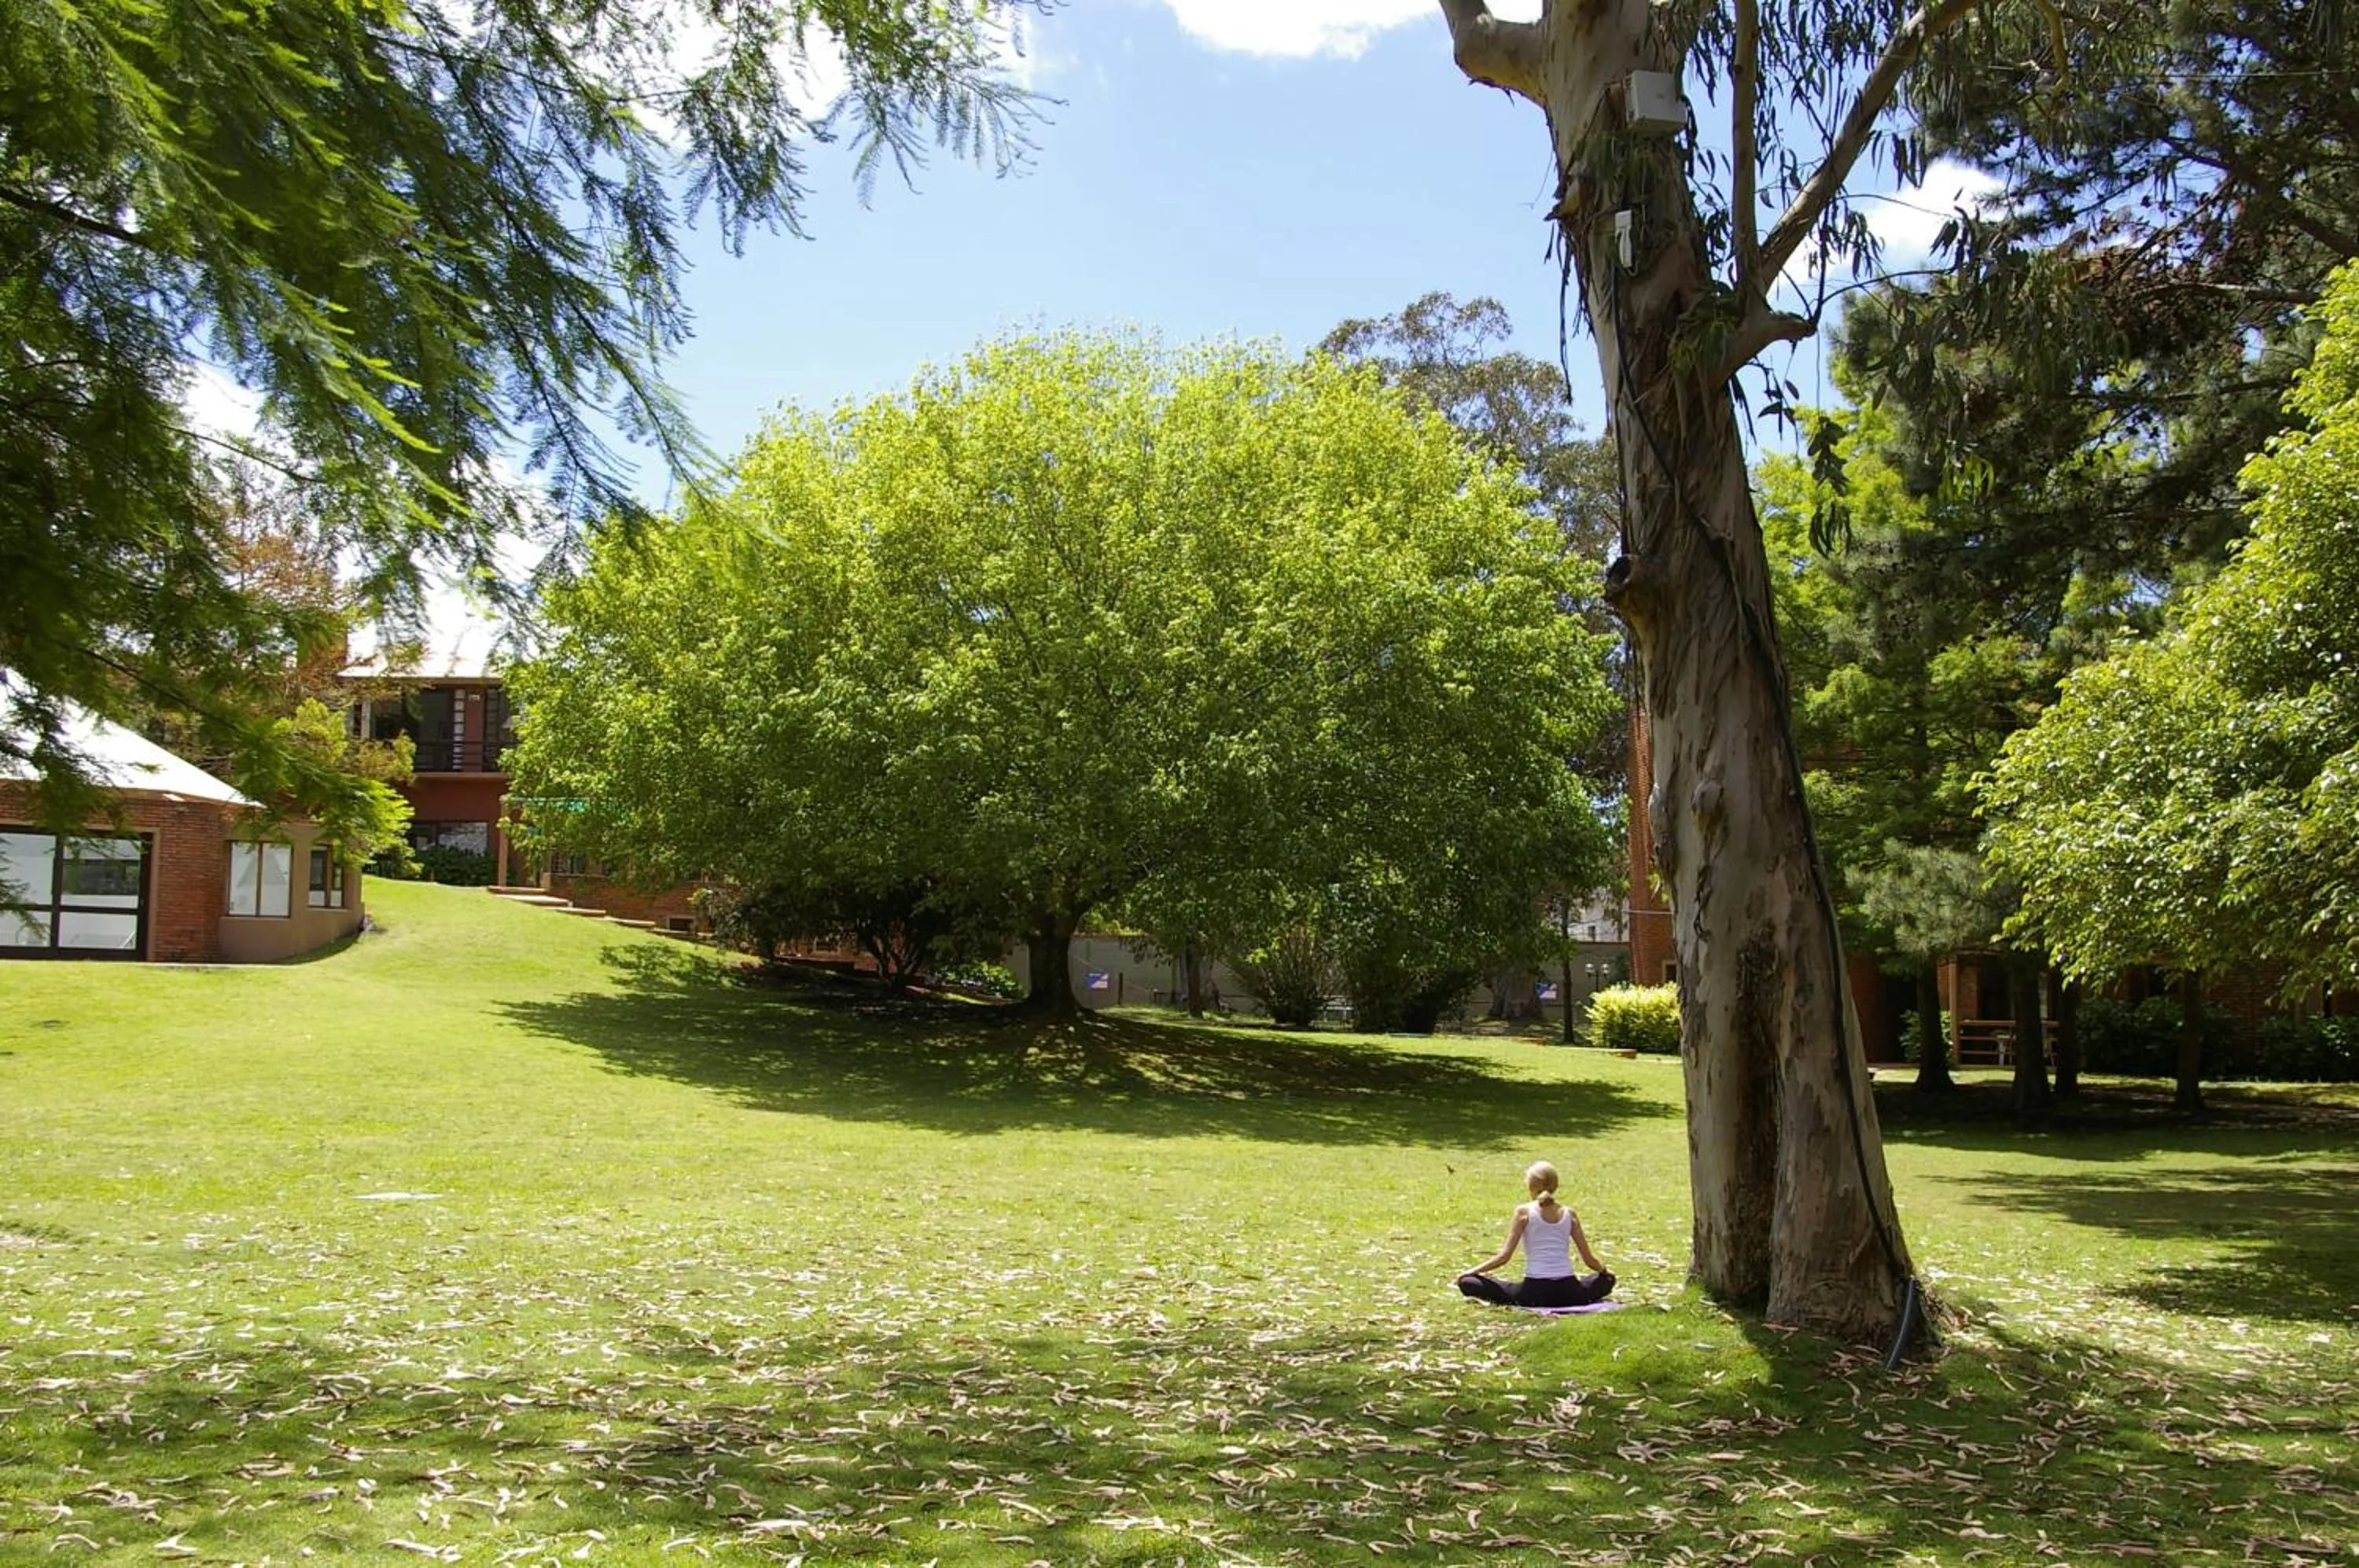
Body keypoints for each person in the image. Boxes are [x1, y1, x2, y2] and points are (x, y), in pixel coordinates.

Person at [1456, 1160, 1616, 1309]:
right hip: (1570, 1293)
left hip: (1533, 1294)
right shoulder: (1570, 1214)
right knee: (1608, 1280)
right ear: (1556, 1186)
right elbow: (1589, 1260)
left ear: (1530, 1186)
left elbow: (1504, 1257)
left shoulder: (1523, 1212)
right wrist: (1605, 1271)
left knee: (1468, 1282)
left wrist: (1471, 1272)